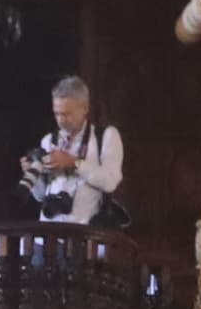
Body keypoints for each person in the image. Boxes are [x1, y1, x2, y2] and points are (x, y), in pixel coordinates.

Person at [20, 71, 127, 226]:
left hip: (86, 237)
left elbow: (110, 182)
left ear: (85, 108)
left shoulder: (106, 137)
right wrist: (32, 173)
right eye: (57, 114)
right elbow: (41, 196)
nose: (61, 120)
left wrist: (74, 163)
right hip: (48, 235)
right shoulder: (49, 140)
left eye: (67, 114)